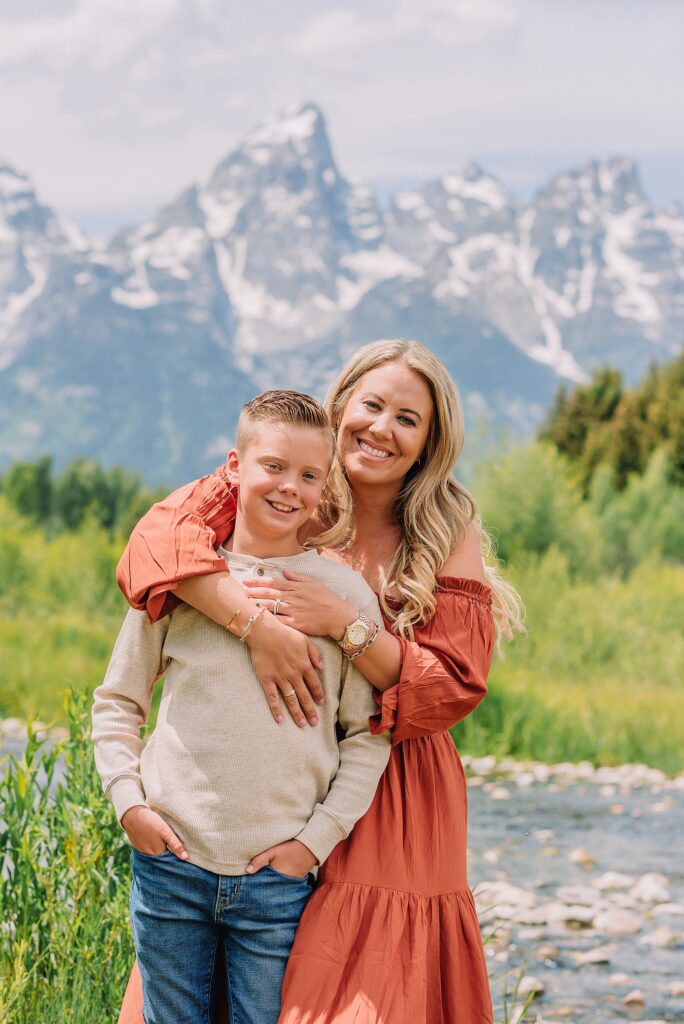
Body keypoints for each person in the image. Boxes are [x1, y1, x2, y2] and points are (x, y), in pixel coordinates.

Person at [117, 339, 524, 1024]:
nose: (382, 428)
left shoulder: (448, 521)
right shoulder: (289, 480)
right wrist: (258, 627)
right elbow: (152, 551)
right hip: (273, 779)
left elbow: (453, 688)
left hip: (393, 786)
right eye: (371, 405)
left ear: (428, 442)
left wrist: (347, 625)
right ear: (341, 408)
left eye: (407, 418)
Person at [92, 390, 391, 1024]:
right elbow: (118, 700)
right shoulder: (181, 582)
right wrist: (130, 805)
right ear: (235, 466)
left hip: (277, 880)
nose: (291, 488)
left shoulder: (342, 594)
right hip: (171, 865)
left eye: (311, 475)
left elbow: (366, 737)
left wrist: (313, 844)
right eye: (274, 466)